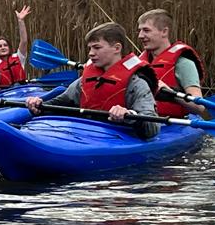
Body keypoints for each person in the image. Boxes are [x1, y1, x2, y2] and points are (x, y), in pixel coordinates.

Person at [25, 21, 160, 139]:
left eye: (97, 47)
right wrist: (39, 106)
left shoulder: (136, 83)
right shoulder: (84, 80)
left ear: (116, 48)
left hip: (119, 137)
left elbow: (152, 127)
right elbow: (61, 104)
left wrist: (129, 114)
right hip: (87, 132)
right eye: (90, 48)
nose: (90, 53)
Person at [136, 8, 207, 117]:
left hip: (174, 125)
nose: (140, 36)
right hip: (143, 122)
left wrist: (170, 94)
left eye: (146, 30)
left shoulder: (183, 64)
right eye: (140, 30)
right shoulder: (139, 63)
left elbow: (200, 107)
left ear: (164, 31)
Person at [0, 5, 31, 88]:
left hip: (21, 89)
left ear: (9, 47)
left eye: (5, 45)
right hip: (4, 93)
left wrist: (21, 21)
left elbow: (24, 41)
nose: (2, 47)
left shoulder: (19, 57)